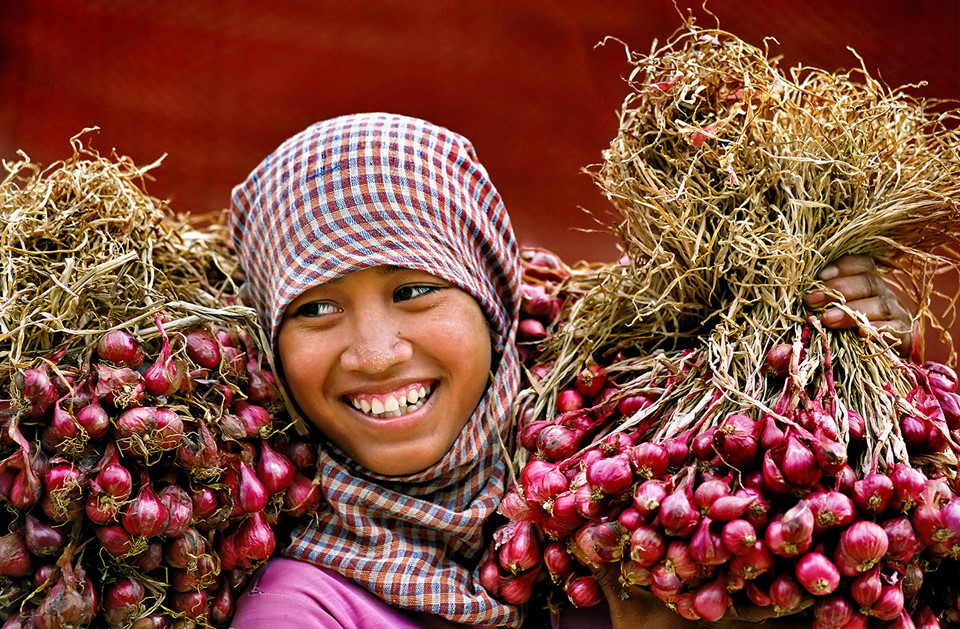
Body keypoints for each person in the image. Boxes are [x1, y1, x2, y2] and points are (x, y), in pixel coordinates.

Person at [226, 112, 914, 629]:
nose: (375, 353)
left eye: (412, 291)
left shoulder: (640, 504)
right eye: (316, 307)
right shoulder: (299, 609)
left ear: (494, 296)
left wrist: (857, 361)